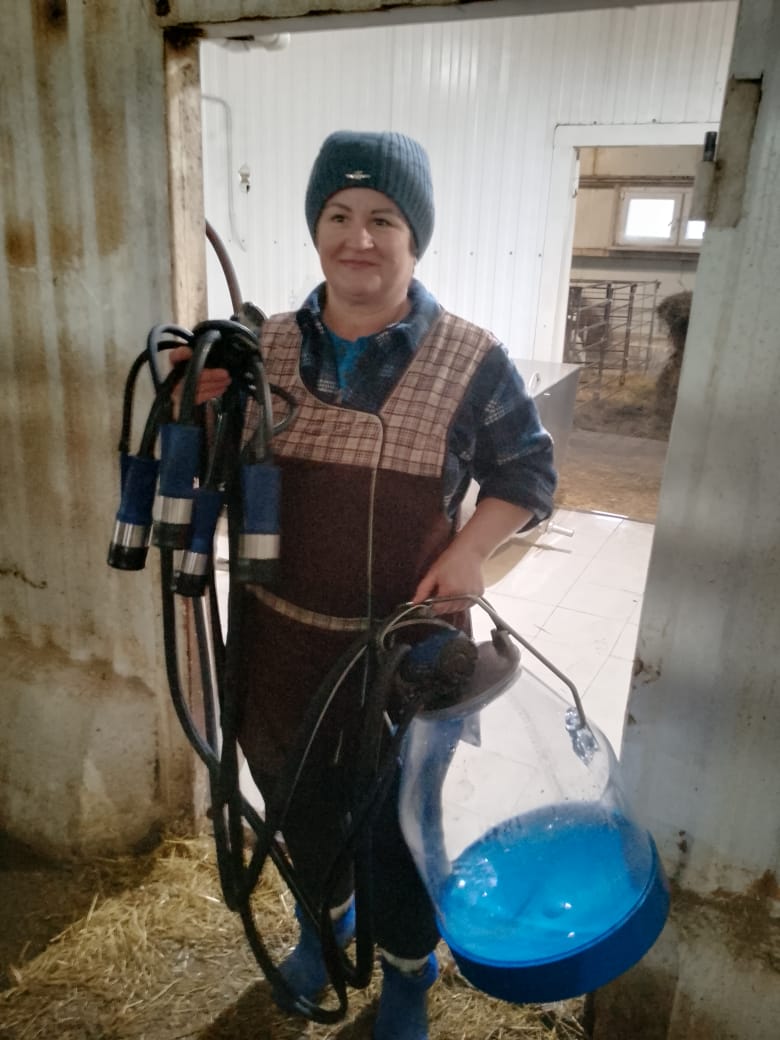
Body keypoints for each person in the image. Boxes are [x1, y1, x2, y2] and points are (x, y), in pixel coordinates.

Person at [179, 130, 556, 1040]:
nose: (359, 238)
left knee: (401, 827)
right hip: (278, 638)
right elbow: (210, 473)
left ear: (415, 237)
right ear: (316, 229)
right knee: (297, 806)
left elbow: (528, 474)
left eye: (384, 219)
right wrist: (196, 410)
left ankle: (408, 977)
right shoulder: (259, 348)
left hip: (407, 653)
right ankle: (323, 926)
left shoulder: (470, 357)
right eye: (339, 215)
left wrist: (472, 550)